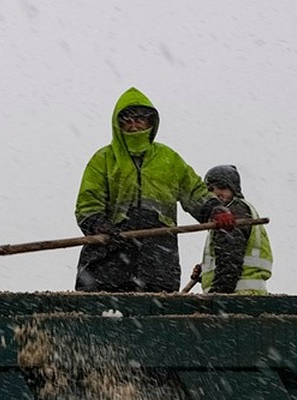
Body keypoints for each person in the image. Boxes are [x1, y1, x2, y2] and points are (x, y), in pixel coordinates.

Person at [74, 87, 235, 293]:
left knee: (154, 317)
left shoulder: (169, 159)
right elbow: (87, 204)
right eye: (127, 120)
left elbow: (194, 191)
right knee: (103, 316)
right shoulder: (103, 160)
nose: (134, 125)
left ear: (151, 122)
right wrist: (99, 225)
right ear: (118, 123)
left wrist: (215, 210)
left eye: (140, 119)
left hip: (158, 262)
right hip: (107, 261)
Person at [190, 165, 272, 295]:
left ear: (234, 189)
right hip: (246, 295)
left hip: (238, 296)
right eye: (210, 190)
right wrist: (205, 270)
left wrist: (216, 295)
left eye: (222, 187)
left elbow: (230, 259)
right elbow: (234, 255)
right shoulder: (233, 213)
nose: (216, 193)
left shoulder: (233, 213)